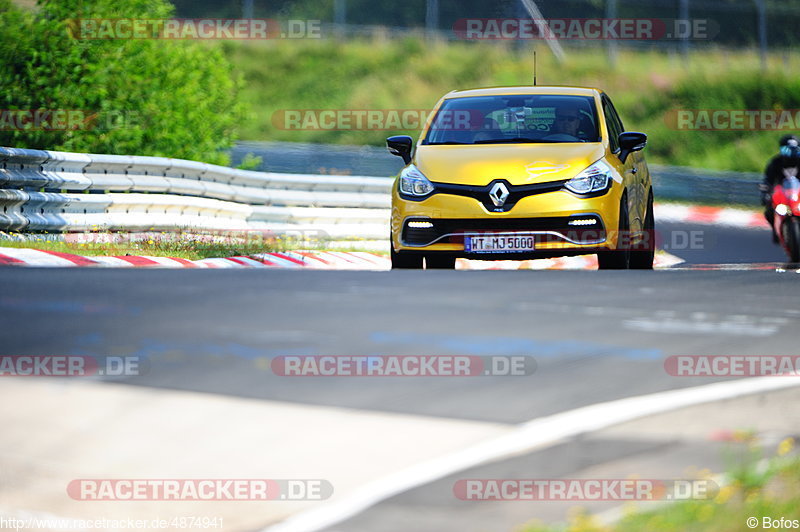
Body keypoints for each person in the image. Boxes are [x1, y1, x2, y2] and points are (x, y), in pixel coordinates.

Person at [761, 134, 800, 243]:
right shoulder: (775, 162)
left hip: (798, 195)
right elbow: (767, 180)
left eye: (794, 150)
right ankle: (776, 229)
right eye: (787, 150)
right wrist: (765, 194)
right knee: (769, 211)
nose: (791, 154)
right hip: (782, 195)